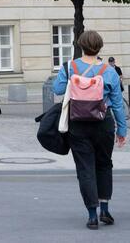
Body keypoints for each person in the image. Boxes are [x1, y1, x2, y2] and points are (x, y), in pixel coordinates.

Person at [53, 31, 127, 229]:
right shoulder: (109, 71)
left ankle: (92, 215)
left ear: (80, 46)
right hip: (103, 123)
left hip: (78, 124)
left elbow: (57, 89)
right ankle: (105, 209)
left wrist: (70, 79)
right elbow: (118, 104)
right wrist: (122, 130)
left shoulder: (70, 67)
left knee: (85, 168)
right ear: (100, 47)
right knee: (104, 165)